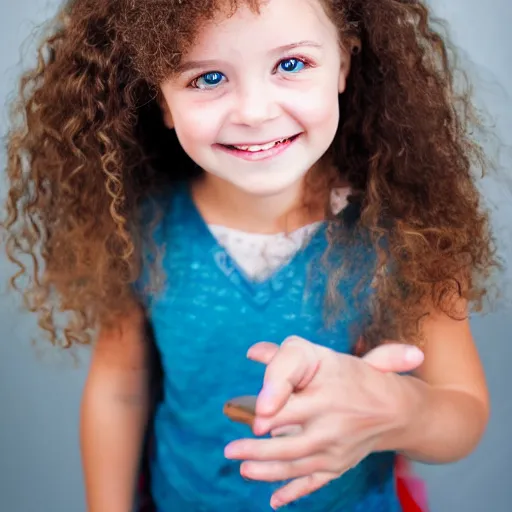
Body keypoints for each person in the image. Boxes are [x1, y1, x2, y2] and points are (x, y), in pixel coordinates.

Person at [2, 0, 496, 510]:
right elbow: (119, 390)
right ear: (162, 101)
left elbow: (464, 411)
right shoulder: (142, 231)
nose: (255, 111)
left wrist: (400, 409)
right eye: (208, 78)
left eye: (291, 64)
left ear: (343, 65)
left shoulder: (405, 233)